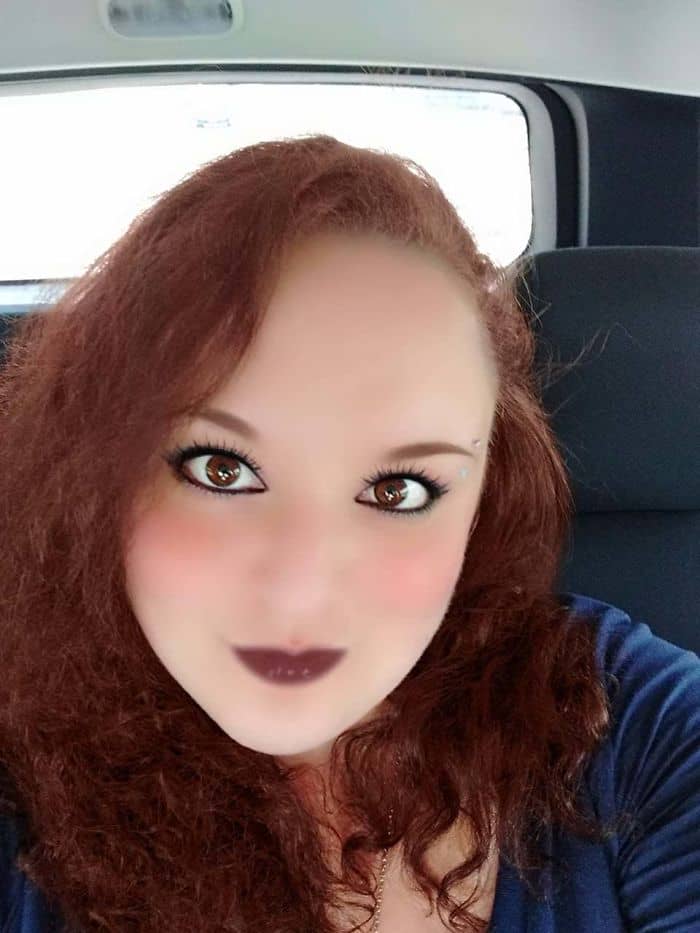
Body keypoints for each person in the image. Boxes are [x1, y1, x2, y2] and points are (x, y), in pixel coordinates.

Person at [0, 135, 698, 933]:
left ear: (482, 502)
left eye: (398, 490)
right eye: (221, 469)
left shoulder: (623, 729)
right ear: (101, 475)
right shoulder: (22, 768)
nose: (300, 589)